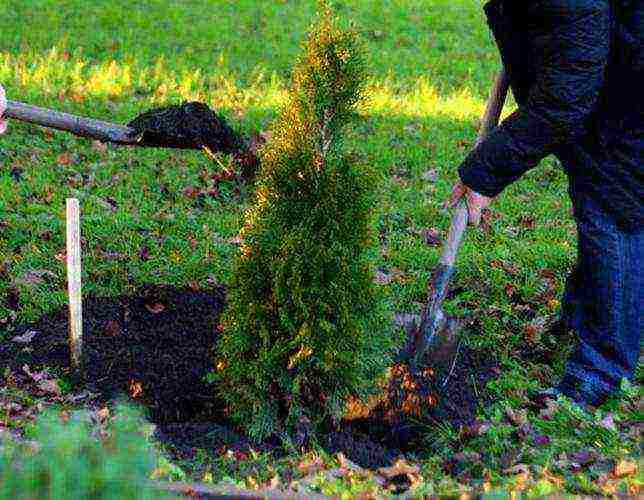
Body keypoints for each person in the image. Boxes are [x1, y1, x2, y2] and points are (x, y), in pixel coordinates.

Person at [448, 0, 642, 407]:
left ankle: (601, 369)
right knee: (598, 185)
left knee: (612, 207)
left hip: (629, 93)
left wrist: (487, 171)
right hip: (613, 74)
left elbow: (566, 96)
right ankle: (585, 315)